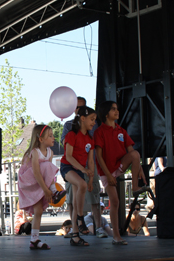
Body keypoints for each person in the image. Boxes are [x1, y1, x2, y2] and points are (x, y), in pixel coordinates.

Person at [94, 100, 148, 245]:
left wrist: (141, 170)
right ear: (106, 114)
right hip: (106, 171)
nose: (117, 111)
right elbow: (98, 156)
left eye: (117, 109)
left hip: (119, 166)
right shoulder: (99, 132)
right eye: (113, 109)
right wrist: (109, 175)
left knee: (136, 154)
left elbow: (132, 153)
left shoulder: (121, 131)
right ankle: (116, 236)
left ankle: (135, 187)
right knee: (115, 202)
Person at [18, 124, 66, 250]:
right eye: (50, 136)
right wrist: (46, 189)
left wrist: (48, 186)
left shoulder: (50, 152)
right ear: (41, 139)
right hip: (30, 180)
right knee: (46, 166)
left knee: (38, 211)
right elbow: (36, 172)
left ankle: (34, 239)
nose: (53, 138)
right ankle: (54, 192)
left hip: (40, 181)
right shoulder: (35, 152)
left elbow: (49, 173)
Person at [61, 97, 103, 238]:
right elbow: (69, 156)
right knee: (80, 186)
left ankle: (76, 233)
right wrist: (84, 170)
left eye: (95, 120)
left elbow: (91, 161)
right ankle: (79, 219)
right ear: (82, 118)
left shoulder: (89, 139)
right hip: (68, 166)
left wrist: (90, 178)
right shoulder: (71, 132)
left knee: (85, 191)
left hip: (81, 167)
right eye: (92, 119)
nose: (94, 122)